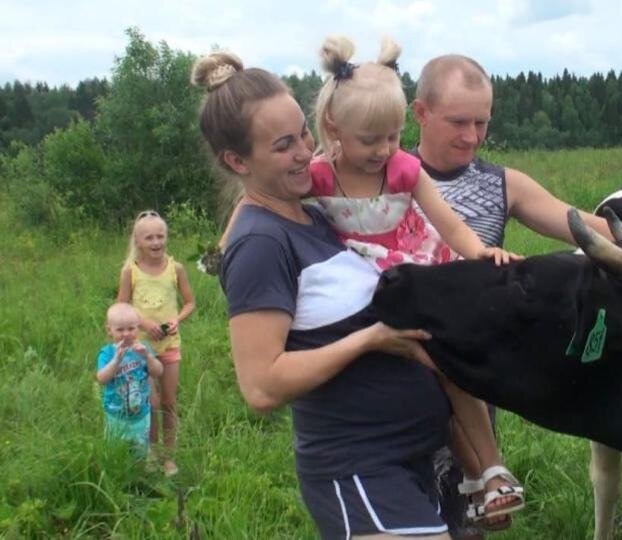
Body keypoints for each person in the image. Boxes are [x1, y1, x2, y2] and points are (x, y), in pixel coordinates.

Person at [410, 54, 622, 539]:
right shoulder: (386, 174)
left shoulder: (501, 184)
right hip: (394, 369)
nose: (472, 137)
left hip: (469, 372)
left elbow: (581, 224)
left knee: (466, 513)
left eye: (482, 122)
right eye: (458, 122)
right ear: (420, 113)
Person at [192, 51, 453, 539]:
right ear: (237, 161)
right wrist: (370, 339)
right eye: (283, 145)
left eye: (303, 134)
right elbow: (261, 385)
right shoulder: (261, 243)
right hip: (357, 469)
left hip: (407, 459)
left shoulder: (314, 217)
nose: (304, 152)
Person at [309, 35, 524, 528]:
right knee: (425, 372)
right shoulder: (318, 176)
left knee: (448, 363)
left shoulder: (403, 169)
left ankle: (491, 468)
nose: (384, 149)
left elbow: (448, 223)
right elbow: (261, 201)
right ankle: (473, 478)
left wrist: (479, 251)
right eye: (370, 139)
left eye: (393, 135)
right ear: (333, 127)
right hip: (365, 284)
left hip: (415, 271)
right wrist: (226, 245)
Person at [117, 210, 195, 476]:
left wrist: (177, 319)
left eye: (160, 236)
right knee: (151, 403)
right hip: (142, 348)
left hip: (170, 346)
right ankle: (151, 451)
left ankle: (169, 457)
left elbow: (190, 303)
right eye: (149, 238)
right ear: (138, 241)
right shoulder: (130, 271)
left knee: (169, 402)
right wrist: (143, 323)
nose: (156, 242)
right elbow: (121, 306)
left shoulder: (176, 269)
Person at [96, 302, 164, 456]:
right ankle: (119, 469)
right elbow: (101, 378)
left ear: (138, 328)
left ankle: (140, 468)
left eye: (131, 328)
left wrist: (147, 356)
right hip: (115, 414)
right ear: (109, 330)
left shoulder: (143, 348)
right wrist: (116, 361)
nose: (126, 334)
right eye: (120, 330)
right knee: (115, 453)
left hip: (140, 414)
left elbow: (158, 371)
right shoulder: (107, 353)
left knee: (140, 451)